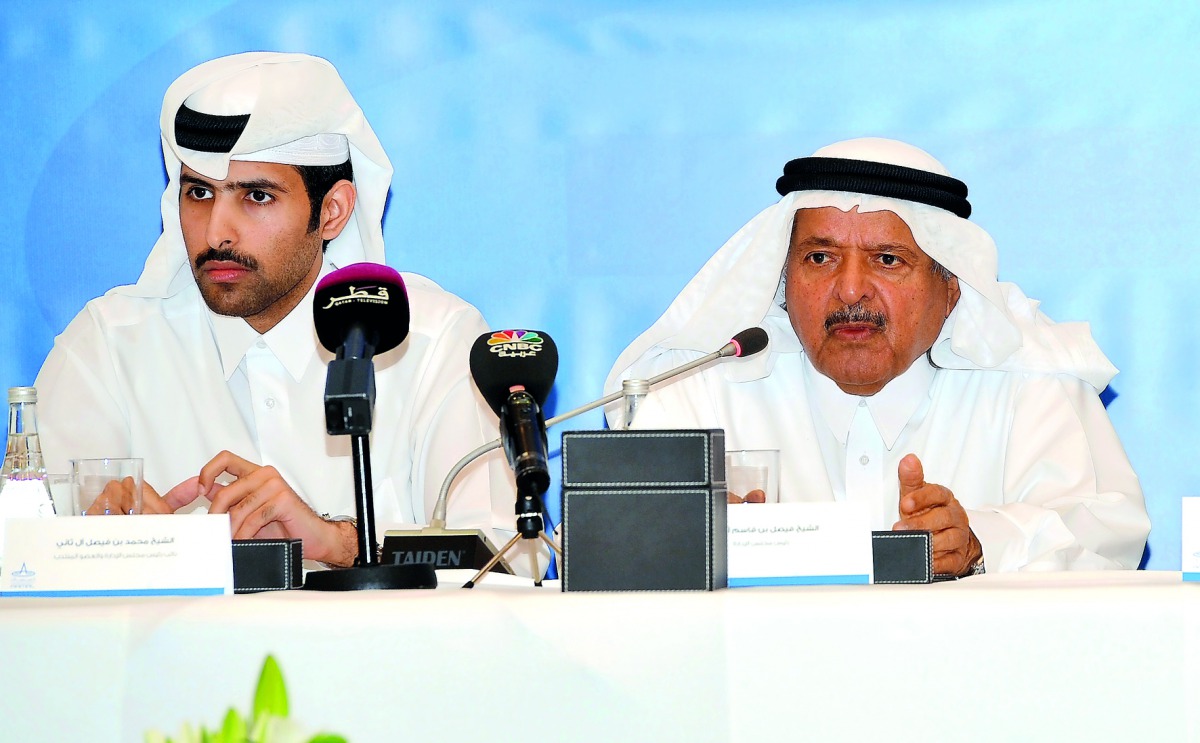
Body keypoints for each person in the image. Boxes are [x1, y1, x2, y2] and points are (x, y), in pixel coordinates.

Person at [35, 52, 522, 568]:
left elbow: (511, 563)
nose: (217, 231)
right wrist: (107, 550)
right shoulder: (108, 347)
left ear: (332, 211)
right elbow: (22, 563)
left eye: (257, 197)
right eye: (199, 192)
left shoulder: (432, 341)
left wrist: (338, 543)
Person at [605, 137, 1150, 575]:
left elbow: (1107, 544)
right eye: (819, 258)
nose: (849, 290)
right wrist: (687, 540)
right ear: (782, 279)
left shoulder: (1029, 386)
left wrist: (981, 541)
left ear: (951, 287)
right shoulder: (697, 392)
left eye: (887, 260)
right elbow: (617, 549)